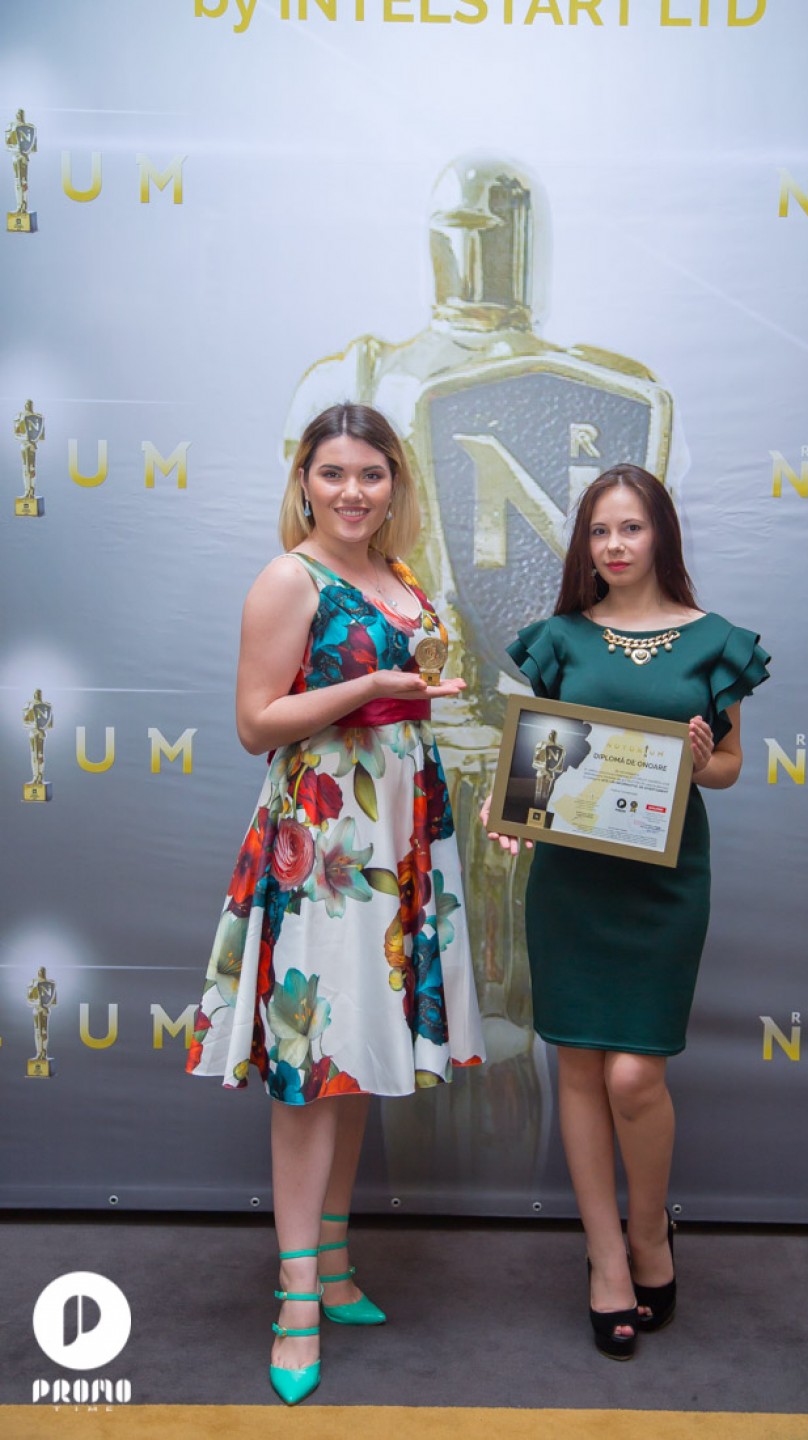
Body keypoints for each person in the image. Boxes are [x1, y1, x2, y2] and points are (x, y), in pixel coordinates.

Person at [188, 402, 485, 1404]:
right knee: (309, 1064)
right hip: (323, 845)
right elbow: (255, 722)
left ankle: (337, 1264)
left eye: (371, 473)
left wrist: (409, 699)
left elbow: (409, 695)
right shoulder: (291, 579)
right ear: (305, 483)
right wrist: (367, 692)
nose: (353, 491)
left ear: (395, 483)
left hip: (398, 837)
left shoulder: (401, 577)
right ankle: (296, 1304)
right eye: (333, 473)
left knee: (351, 1055)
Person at [482, 464, 769, 1360]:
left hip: (664, 882)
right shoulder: (561, 638)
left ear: (661, 536)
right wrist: (513, 811)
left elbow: (730, 767)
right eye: (600, 531)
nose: (614, 545)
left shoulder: (715, 641)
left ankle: (650, 1233)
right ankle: (606, 1256)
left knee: (635, 1077)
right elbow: (539, 761)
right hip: (573, 882)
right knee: (578, 1068)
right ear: (585, 543)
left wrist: (700, 758)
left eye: (631, 528)